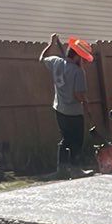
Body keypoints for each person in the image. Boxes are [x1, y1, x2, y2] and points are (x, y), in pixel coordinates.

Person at [37, 33, 89, 175]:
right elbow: (78, 95)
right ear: (77, 56)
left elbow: (41, 58)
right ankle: (76, 169)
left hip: (59, 109)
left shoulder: (55, 62)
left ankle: (62, 168)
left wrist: (51, 44)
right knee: (77, 140)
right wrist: (85, 100)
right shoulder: (78, 72)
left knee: (66, 138)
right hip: (74, 111)